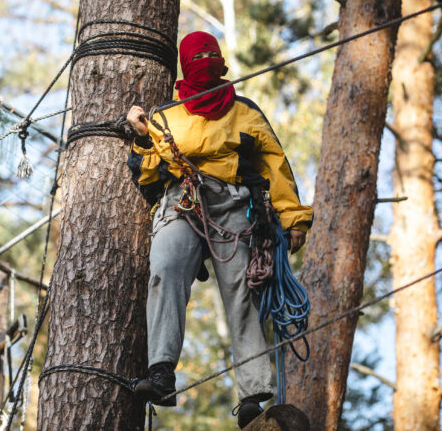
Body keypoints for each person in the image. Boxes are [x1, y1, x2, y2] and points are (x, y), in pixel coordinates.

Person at [126, 31, 313, 428]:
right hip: (184, 202)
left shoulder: (245, 112)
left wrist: (293, 217)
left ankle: (253, 394)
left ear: (222, 61)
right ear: (186, 63)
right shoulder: (166, 116)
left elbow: (275, 166)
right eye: (200, 56)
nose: (207, 59)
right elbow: (146, 178)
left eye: (212, 54)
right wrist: (144, 138)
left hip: (233, 206)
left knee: (243, 292)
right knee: (165, 267)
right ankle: (161, 372)